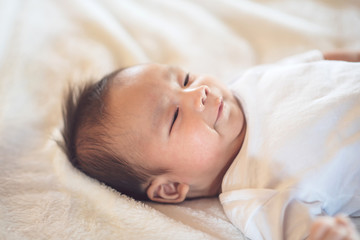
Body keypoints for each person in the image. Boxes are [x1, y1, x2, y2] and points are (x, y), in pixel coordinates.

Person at [60, 50, 360, 239]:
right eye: (175, 116)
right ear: (170, 188)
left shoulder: (248, 81)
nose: (198, 92)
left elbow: (319, 63)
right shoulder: (255, 193)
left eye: (185, 78)